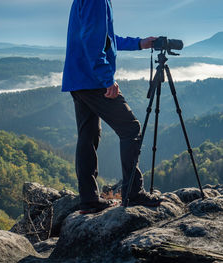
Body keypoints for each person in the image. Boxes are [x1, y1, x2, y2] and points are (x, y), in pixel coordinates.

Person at [62, 0, 161, 214]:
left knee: (88, 136)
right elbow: (92, 40)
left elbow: (104, 39)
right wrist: (106, 78)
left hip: (78, 79)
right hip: (92, 80)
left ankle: (89, 201)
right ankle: (133, 193)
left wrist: (139, 43)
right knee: (130, 128)